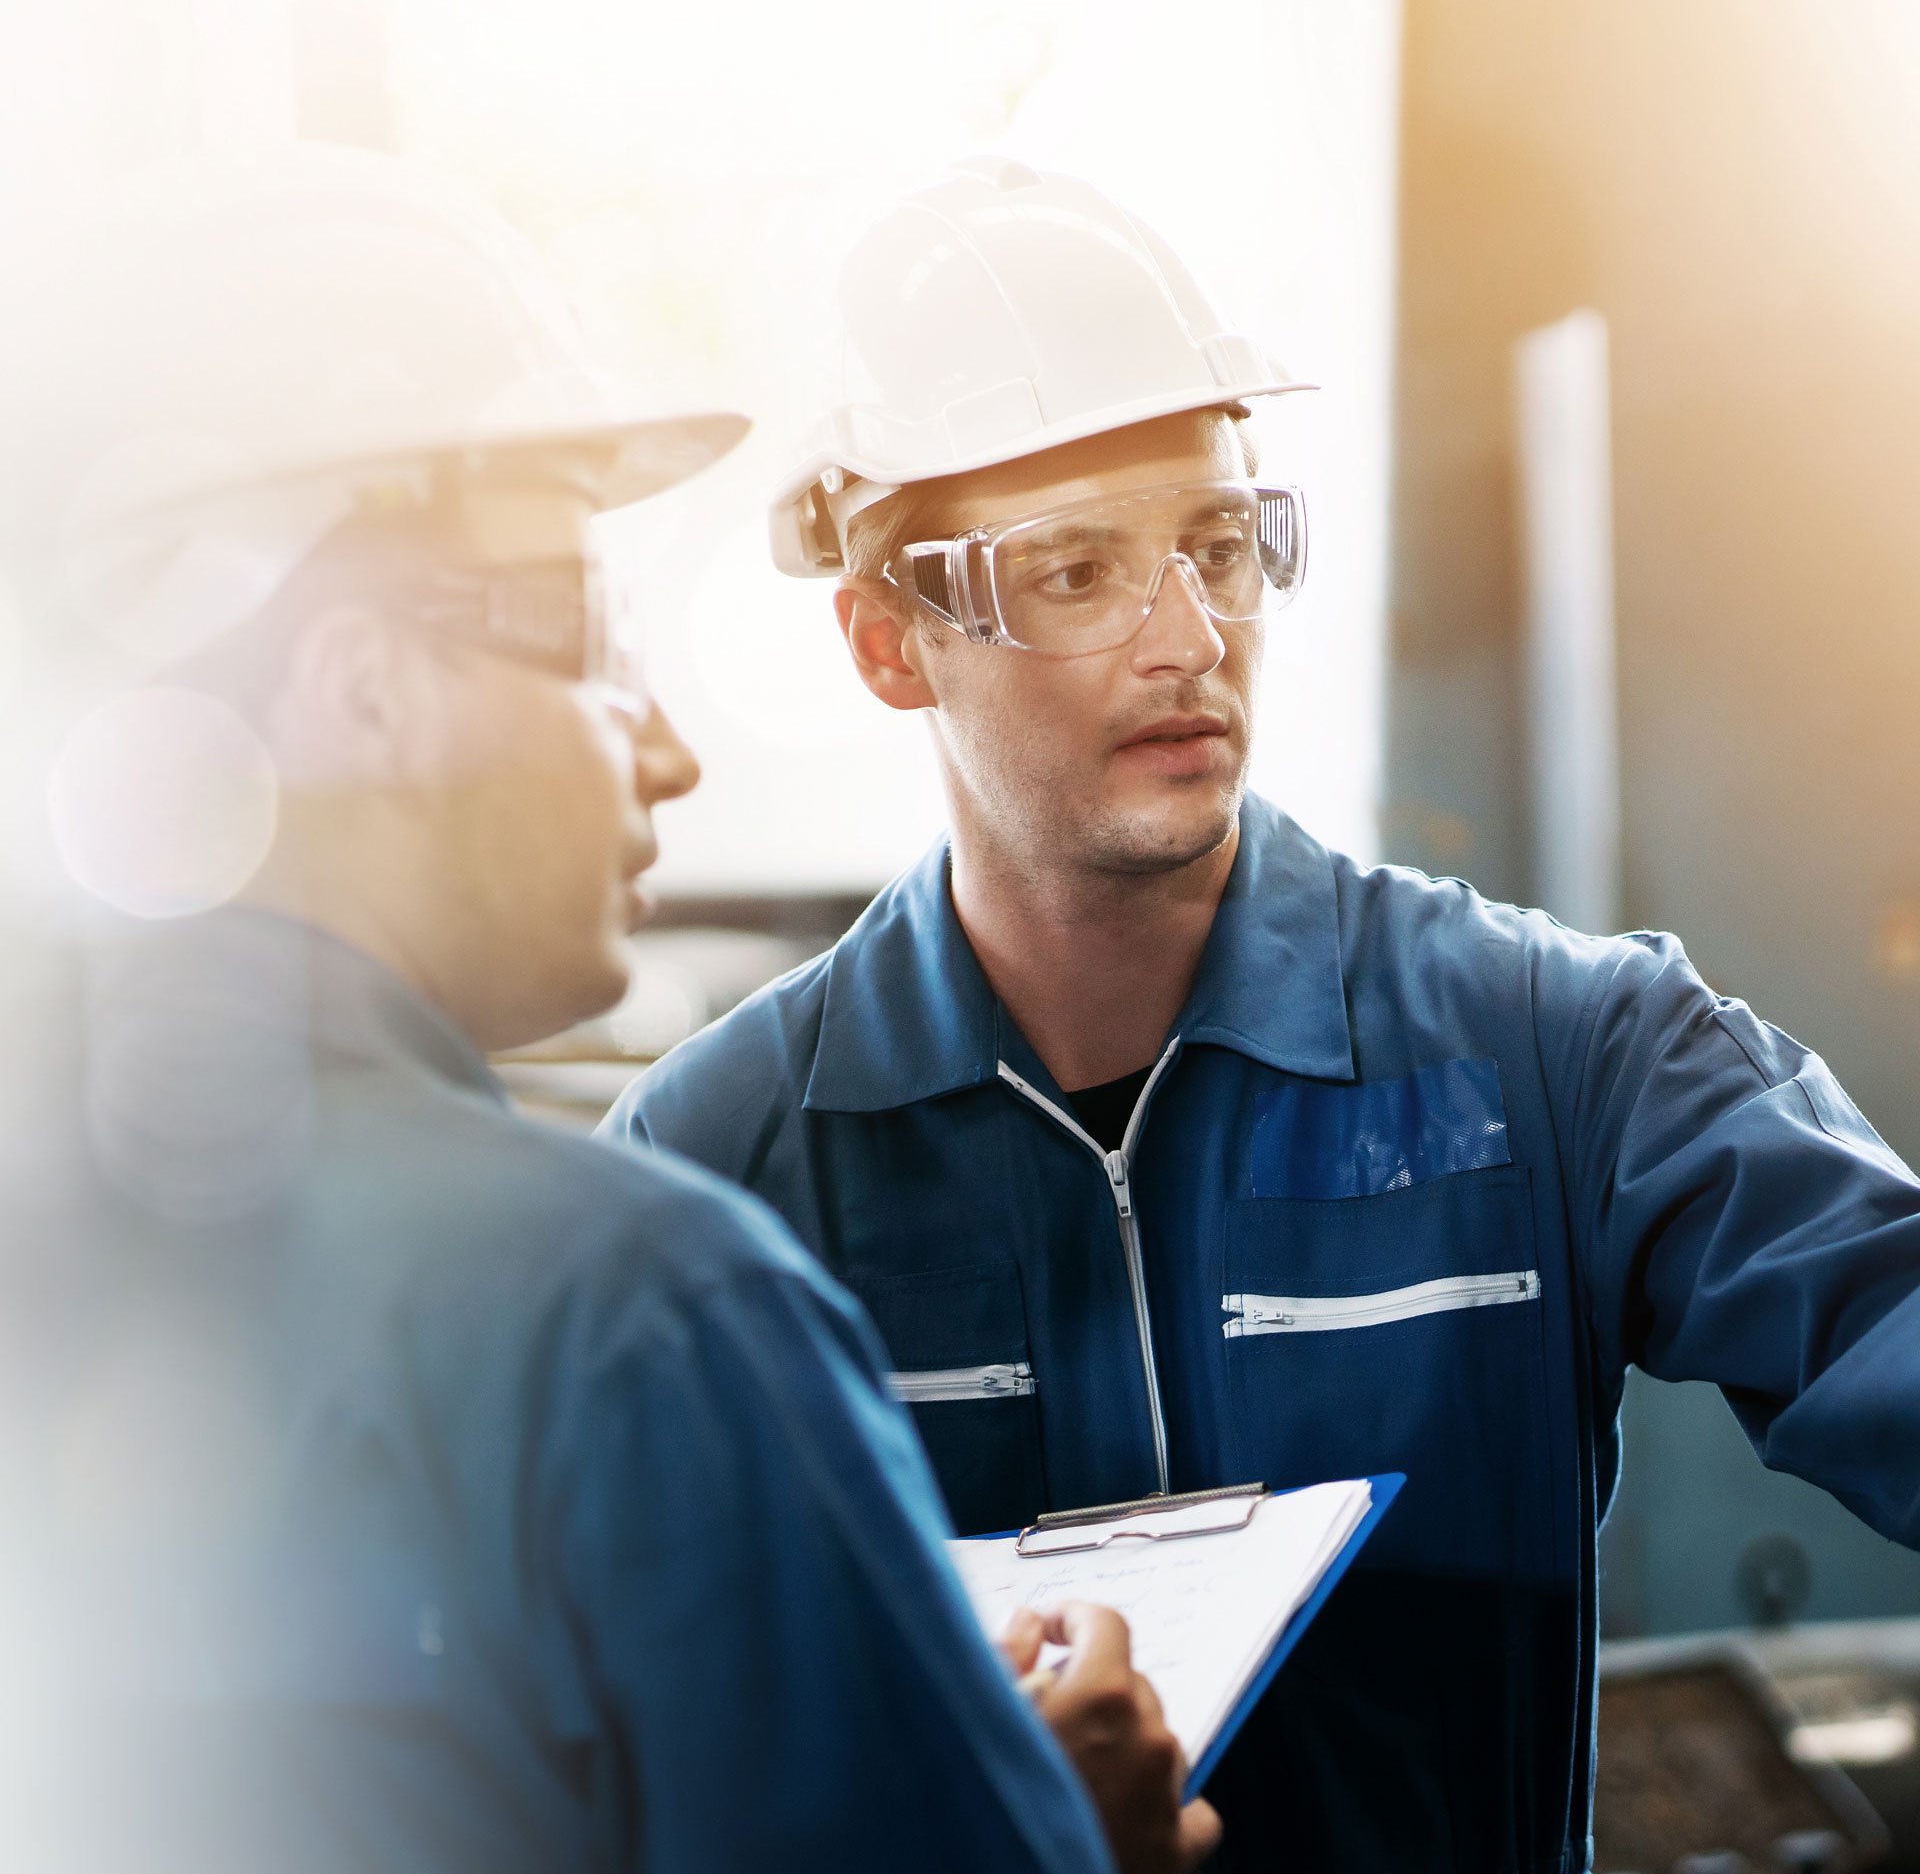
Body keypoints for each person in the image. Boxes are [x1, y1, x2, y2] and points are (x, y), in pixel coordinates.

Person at [601, 158, 1920, 1874]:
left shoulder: (1557, 1055)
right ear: (888, 644)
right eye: (1077, 572)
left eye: (1219, 545)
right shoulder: (720, 1181)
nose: (1189, 639)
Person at [0, 147, 1219, 1874]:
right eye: (589, 639)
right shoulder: (645, 1313)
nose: (667, 748)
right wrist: (1055, 1841)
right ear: (364, 687)